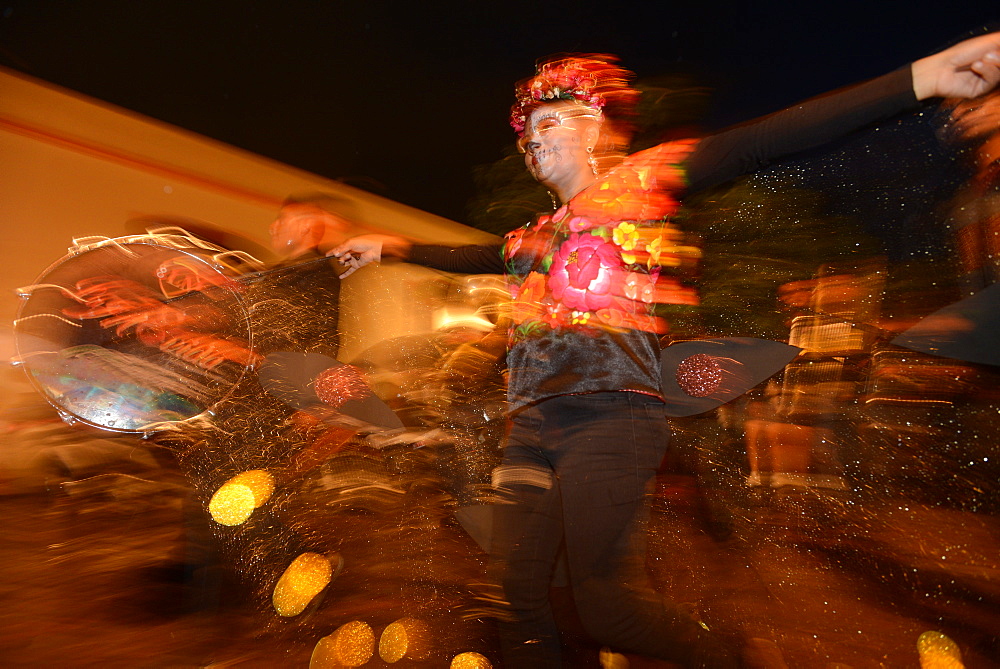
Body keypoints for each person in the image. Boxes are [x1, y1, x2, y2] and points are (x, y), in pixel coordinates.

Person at [326, 34, 1000, 667]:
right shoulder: (529, 237)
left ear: (605, 128)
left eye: (551, 123)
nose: (533, 141)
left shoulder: (644, 183)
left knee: (611, 610)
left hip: (609, 419)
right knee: (515, 595)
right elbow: (470, 253)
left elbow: (769, 138)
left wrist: (923, 77)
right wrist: (389, 247)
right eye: (527, 135)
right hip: (531, 427)